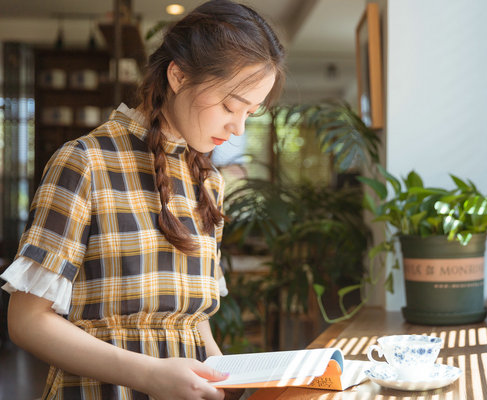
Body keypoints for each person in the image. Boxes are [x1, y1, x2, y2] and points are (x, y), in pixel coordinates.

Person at [0, 0, 285, 398]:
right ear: (179, 75)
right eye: (229, 106)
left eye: (250, 113)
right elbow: (27, 322)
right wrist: (150, 375)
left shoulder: (209, 182)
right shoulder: (85, 162)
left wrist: (224, 382)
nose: (237, 128)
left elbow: (191, 319)